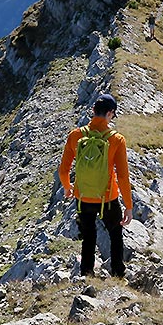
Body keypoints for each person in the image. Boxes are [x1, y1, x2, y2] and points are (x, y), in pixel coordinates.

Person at [59, 93, 133, 277]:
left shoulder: (75, 135)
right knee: (115, 233)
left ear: (93, 111)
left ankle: (86, 273)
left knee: (88, 235)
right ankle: (117, 273)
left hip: (83, 195)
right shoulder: (117, 139)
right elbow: (123, 176)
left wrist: (68, 188)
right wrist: (129, 207)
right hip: (107, 197)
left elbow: (63, 170)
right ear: (110, 113)